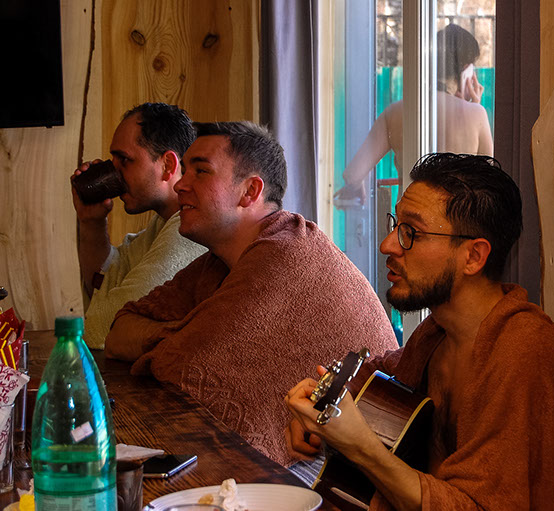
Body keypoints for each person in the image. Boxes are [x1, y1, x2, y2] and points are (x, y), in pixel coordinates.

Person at [286, 153, 554, 510]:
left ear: (473, 257)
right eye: (396, 225)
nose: (387, 245)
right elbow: (380, 375)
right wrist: (325, 404)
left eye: (411, 233)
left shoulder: (526, 354)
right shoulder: (437, 334)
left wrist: (361, 446)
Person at [104, 121, 398, 466]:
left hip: (352, 474)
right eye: (184, 170)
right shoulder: (218, 261)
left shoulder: (283, 253)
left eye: (201, 171)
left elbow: (184, 365)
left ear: (249, 191)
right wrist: (183, 332)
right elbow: (118, 332)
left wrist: (182, 336)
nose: (180, 184)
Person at [73, 102, 207, 349]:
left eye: (124, 160)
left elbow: (102, 327)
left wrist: (101, 310)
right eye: (113, 161)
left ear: (167, 165)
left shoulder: (189, 232)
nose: (114, 173)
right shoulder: (164, 223)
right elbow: (105, 282)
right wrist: (91, 222)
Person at [335, 24, 494, 205]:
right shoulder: (477, 115)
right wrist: (473, 107)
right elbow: (489, 183)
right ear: (466, 70)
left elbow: (352, 174)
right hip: (455, 220)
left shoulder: (395, 111)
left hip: (408, 219)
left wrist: (358, 184)